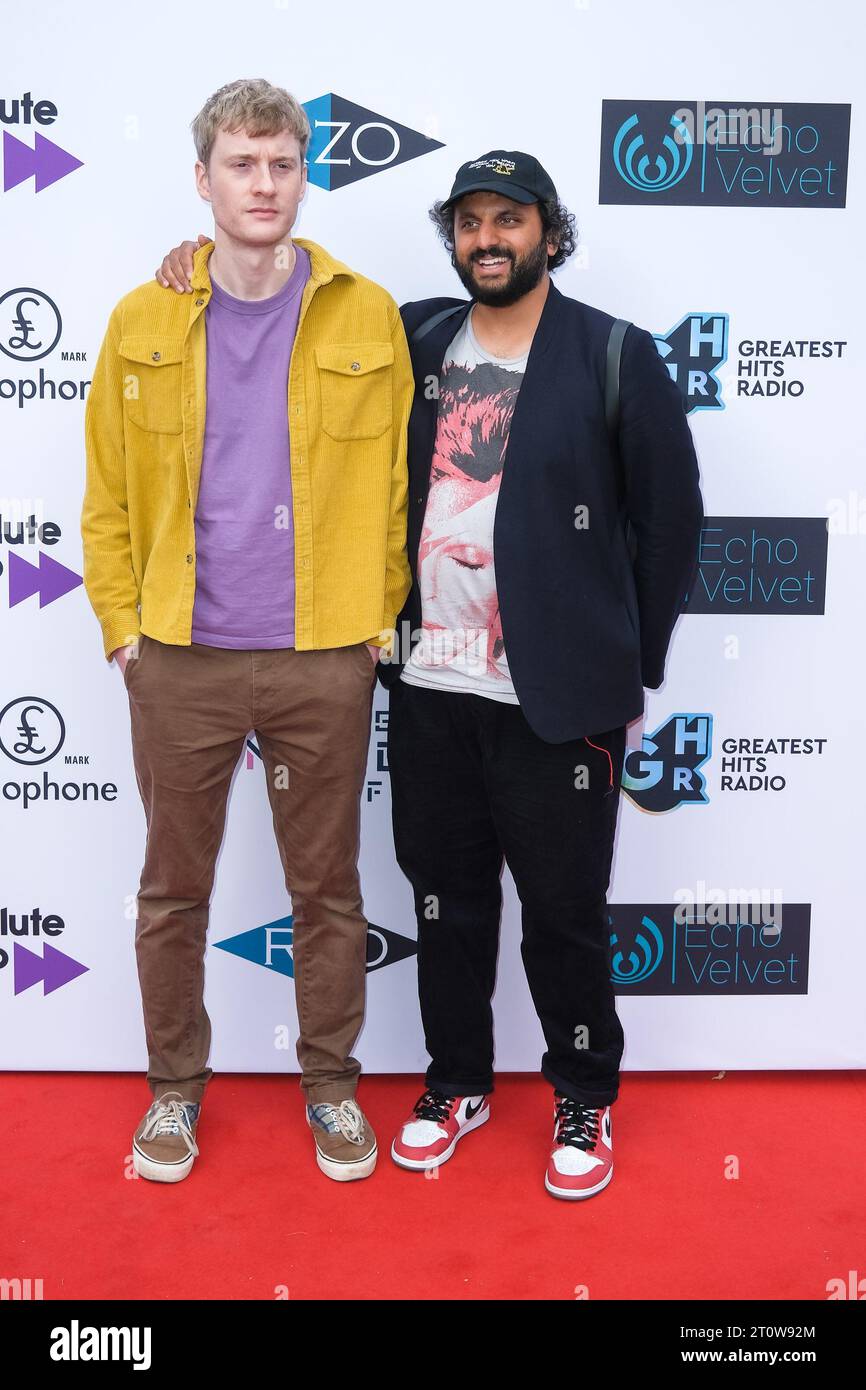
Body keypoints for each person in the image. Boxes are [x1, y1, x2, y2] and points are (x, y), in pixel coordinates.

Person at [80, 78, 413, 1185]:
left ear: (303, 173)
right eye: (240, 164)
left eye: (281, 164)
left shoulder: (363, 311)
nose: (262, 184)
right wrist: (124, 630)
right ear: (203, 179)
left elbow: (401, 482)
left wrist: (377, 620)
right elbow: (109, 492)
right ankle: (173, 1094)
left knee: (327, 891)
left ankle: (330, 1091)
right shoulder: (143, 315)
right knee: (173, 888)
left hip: (323, 656)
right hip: (180, 657)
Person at [378, 151, 704, 1199]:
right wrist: (196, 258)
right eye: (468, 221)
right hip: (427, 686)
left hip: (556, 706)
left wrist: (625, 667)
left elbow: (668, 522)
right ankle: (455, 1080)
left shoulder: (612, 353)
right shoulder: (416, 335)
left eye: (507, 220)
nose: (487, 238)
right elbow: (290, 314)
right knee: (444, 900)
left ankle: (581, 1095)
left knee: (564, 911)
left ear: (547, 234)